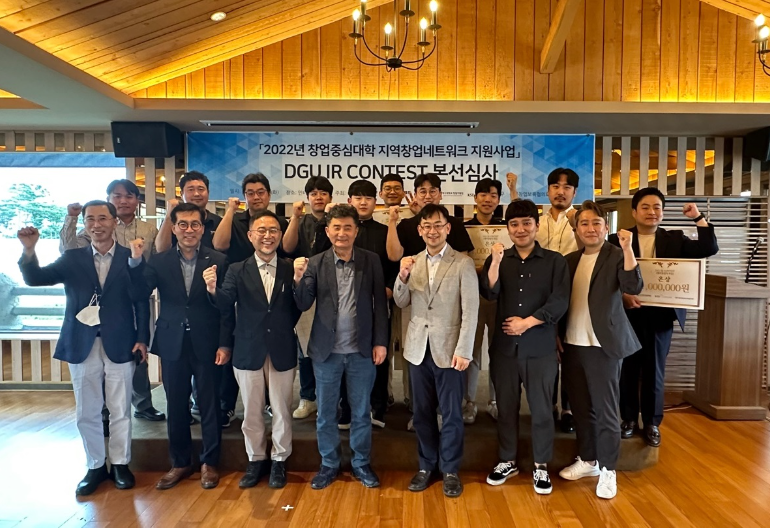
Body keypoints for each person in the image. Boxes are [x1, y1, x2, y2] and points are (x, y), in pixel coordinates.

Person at [18, 200, 149, 496]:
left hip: (121, 341)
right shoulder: (72, 258)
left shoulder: (131, 257)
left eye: (103, 218)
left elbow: (141, 299)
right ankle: (94, 465)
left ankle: (121, 464)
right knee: (86, 410)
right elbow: (35, 278)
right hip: (81, 341)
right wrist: (29, 250)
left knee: (120, 408)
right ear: (85, 224)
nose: (96, 224)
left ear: (114, 222)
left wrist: (142, 338)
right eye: (91, 219)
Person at [609, 188, 718, 447]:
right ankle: (628, 419)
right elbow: (607, 277)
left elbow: (709, 247)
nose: (652, 212)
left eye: (657, 207)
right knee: (627, 370)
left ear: (663, 212)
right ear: (634, 212)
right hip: (627, 314)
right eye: (645, 207)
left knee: (654, 371)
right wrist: (623, 296)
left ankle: (652, 423)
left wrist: (698, 217)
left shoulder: (675, 239)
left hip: (660, 316)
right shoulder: (617, 239)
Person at [293, 204, 388, 490]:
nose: (342, 233)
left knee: (361, 412)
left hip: (362, 350)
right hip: (326, 352)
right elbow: (303, 303)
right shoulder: (315, 262)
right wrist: (298, 279)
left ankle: (361, 463)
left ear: (356, 231)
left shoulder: (370, 260)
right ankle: (329, 464)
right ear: (328, 231)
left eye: (348, 227)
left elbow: (380, 305)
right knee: (325, 414)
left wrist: (380, 342)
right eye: (337, 227)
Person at [137, 203, 230, 491]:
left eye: (195, 224)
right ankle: (179, 462)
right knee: (175, 404)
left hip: (207, 341)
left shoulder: (218, 260)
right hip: (172, 341)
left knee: (209, 404)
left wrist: (224, 343)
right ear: (174, 228)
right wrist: (136, 262)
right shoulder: (159, 261)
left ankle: (209, 462)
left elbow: (227, 307)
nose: (189, 230)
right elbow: (139, 292)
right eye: (183, 224)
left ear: (203, 228)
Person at [205, 210, 301, 489]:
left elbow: (299, 306)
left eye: (273, 230)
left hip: (282, 347)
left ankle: (280, 460)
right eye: (261, 230)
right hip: (248, 348)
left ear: (280, 235)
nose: (267, 236)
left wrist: (298, 282)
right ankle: (256, 459)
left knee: (281, 408)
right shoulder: (237, 269)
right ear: (250, 236)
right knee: (252, 410)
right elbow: (225, 303)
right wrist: (212, 289)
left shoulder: (290, 268)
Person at [480, 200, 570, 495]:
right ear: (507, 228)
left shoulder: (555, 261)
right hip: (505, 348)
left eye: (526, 223)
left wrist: (527, 323)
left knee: (542, 409)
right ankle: (507, 460)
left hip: (540, 348)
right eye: (514, 224)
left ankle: (541, 465)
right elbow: (490, 292)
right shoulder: (499, 259)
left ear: (536, 225)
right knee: (506, 408)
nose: (520, 229)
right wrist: (494, 262)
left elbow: (559, 302)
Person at [558, 200, 643, 500]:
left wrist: (628, 248)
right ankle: (589, 459)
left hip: (602, 346)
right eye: (584, 223)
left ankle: (608, 470)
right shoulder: (569, 260)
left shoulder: (616, 255)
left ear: (606, 227)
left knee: (606, 412)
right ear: (576, 229)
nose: (590, 228)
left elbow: (633, 285)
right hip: (572, 344)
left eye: (596, 223)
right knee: (581, 408)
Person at [394, 204, 479, 498]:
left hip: (450, 349)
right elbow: (401, 302)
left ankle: (451, 469)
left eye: (438, 225)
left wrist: (464, 349)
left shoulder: (463, 263)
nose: (432, 231)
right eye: (427, 226)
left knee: (452, 413)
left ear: (448, 228)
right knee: (421, 413)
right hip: (418, 349)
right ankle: (426, 465)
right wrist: (402, 276)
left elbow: (470, 311)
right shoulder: (413, 261)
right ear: (420, 230)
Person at [61, 179, 162, 422]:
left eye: (129, 196)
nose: (123, 201)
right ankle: (105, 411)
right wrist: (71, 219)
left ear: (137, 201)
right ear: (109, 199)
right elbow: (68, 250)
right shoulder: (97, 226)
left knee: (138, 351)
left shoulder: (149, 230)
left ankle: (143, 404)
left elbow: (156, 262)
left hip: (137, 300)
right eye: (117, 196)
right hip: (106, 302)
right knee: (105, 354)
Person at [313, 181, 399, 428]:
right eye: (358, 197)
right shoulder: (327, 244)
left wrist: (388, 289)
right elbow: (316, 264)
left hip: (372, 311)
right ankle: (346, 411)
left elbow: (393, 264)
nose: (363, 202)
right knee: (339, 367)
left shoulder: (381, 235)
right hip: (335, 323)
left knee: (375, 363)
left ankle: (378, 408)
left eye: (368, 197)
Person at [213, 173, 289, 427]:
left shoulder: (279, 223)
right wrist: (229, 211)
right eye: (250, 193)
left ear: (269, 195)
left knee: (271, 358)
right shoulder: (235, 221)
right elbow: (219, 244)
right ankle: (227, 405)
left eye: (260, 192)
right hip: (238, 290)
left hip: (272, 294)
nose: (256, 197)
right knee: (237, 351)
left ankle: (268, 406)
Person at [282, 177, 334, 420]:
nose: (318, 197)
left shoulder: (335, 220)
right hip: (304, 287)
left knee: (332, 348)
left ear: (330, 197)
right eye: (313, 193)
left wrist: (331, 218)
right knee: (304, 348)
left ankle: (329, 397)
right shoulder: (301, 221)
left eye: (323, 193)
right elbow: (287, 247)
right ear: (308, 198)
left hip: (332, 290)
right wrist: (294, 217)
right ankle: (307, 396)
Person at [536, 168, 581, 434]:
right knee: (547, 353)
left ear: (575, 192)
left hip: (574, 295)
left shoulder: (582, 220)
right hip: (542, 296)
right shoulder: (538, 222)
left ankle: (569, 409)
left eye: (566, 187)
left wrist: (576, 224)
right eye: (555, 186)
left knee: (570, 352)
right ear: (548, 191)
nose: (560, 192)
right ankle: (550, 405)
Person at [463, 177, 506, 424]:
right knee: (472, 350)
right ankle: (469, 402)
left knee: (497, 351)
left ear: (498, 200)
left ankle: (495, 401)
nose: (487, 199)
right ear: (475, 198)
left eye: (493, 195)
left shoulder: (505, 229)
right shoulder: (464, 228)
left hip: (499, 298)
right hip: (473, 297)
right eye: (483, 194)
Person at [386, 173, 475, 262]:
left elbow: (463, 260)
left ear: (440, 195)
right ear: (415, 195)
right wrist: (392, 221)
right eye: (423, 192)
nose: (428, 196)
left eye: (432, 191)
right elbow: (394, 257)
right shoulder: (405, 226)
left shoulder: (455, 224)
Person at [155, 171, 222, 252]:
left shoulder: (218, 222)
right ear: (181, 194)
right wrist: (169, 215)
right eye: (191, 190)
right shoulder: (172, 220)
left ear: (208, 193)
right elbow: (161, 249)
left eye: (201, 189)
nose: (196, 194)